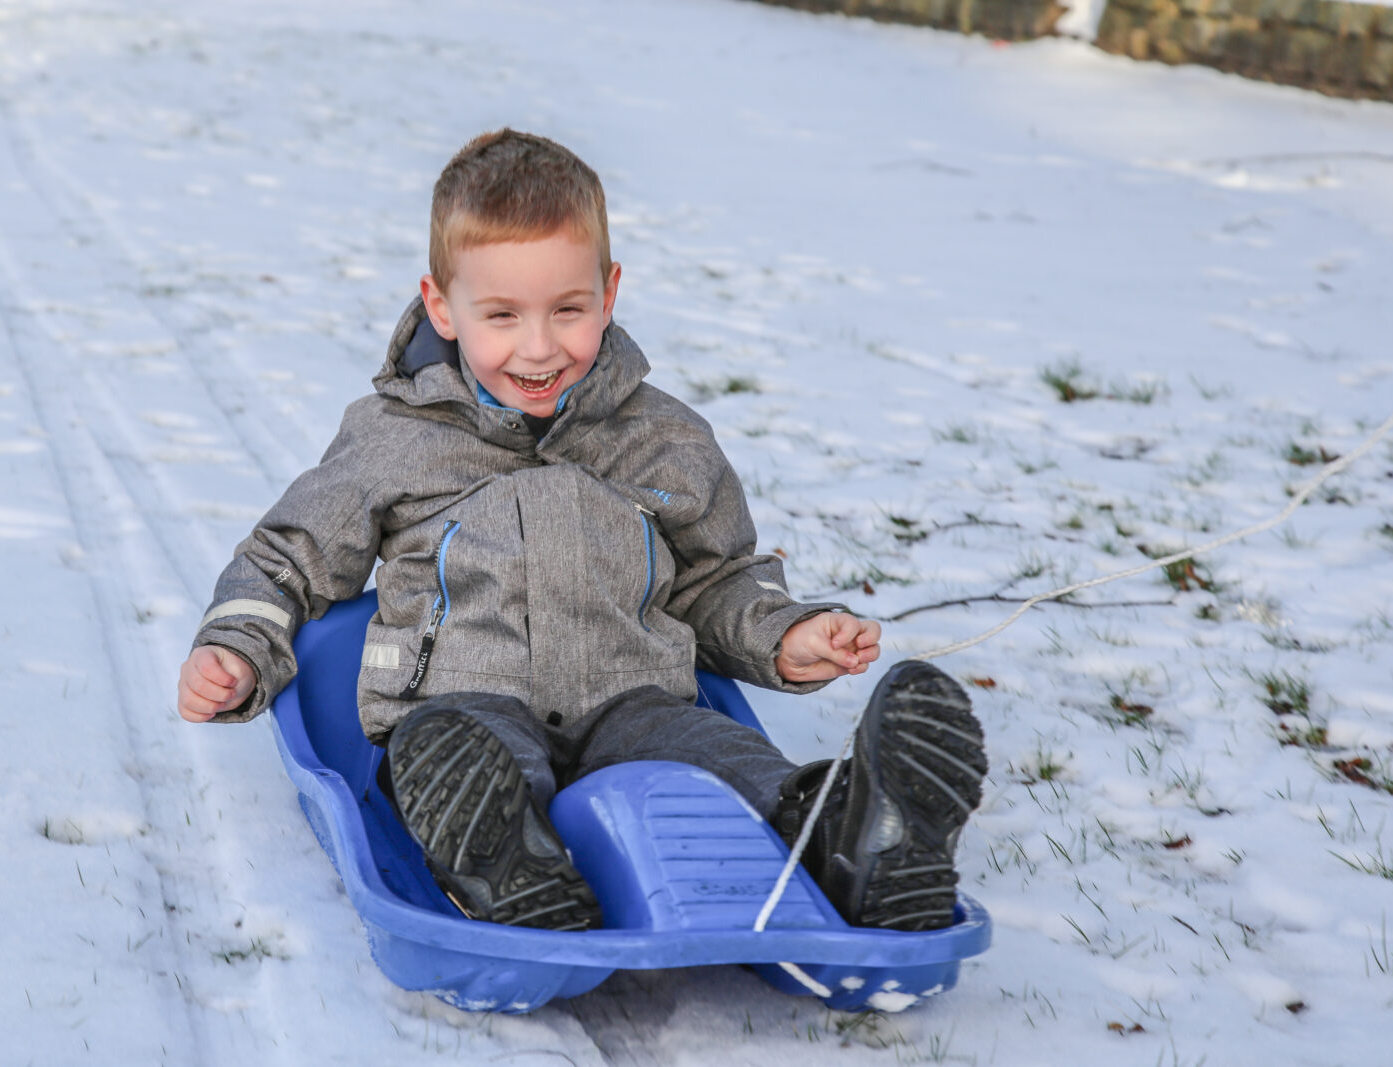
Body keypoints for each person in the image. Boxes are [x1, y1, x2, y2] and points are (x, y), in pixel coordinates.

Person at [177, 129, 985, 934]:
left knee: (721, 765)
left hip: (632, 704)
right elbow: (288, 556)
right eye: (501, 315)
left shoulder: (663, 438)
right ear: (440, 306)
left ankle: (856, 837)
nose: (538, 346)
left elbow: (716, 579)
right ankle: (506, 866)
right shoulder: (394, 437)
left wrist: (786, 634)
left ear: (611, 289)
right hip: (465, 710)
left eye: (569, 309)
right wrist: (236, 648)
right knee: (457, 756)